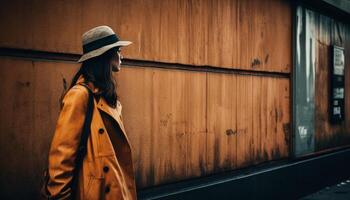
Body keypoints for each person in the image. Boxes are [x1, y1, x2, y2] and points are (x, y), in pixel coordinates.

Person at [45, 26, 137, 200]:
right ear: (106, 56)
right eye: (117, 50)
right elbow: (62, 157)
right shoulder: (79, 95)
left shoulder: (106, 96)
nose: (122, 56)